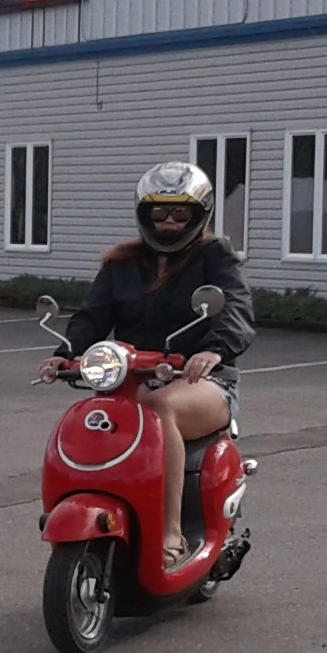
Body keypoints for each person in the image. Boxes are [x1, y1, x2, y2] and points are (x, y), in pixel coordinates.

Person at [37, 160, 255, 569]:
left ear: (199, 214)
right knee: (95, 415)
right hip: (134, 376)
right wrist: (67, 353)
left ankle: (171, 533)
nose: (169, 223)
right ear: (144, 214)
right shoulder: (121, 264)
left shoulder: (215, 257)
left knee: (159, 408)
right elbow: (93, 314)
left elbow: (235, 308)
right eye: (159, 214)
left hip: (204, 381)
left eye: (180, 214)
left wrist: (214, 350)